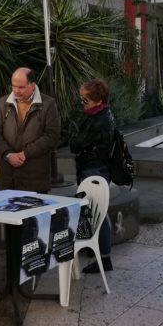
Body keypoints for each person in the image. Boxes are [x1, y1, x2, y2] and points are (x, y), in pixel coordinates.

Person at [69, 79, 115, 273]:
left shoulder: (98, 119)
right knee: (95, 212)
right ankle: (95, 251)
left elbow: (76, 144)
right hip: (94, 169)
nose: (82, 103)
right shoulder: (99, 115)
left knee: (98, 213)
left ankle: (104, 258)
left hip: (94, 170)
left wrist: (77, 140)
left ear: (97, 99)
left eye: (85, 100)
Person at [0, 67, 60, 193]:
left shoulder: (48, 104)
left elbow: (52, 136)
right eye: (13, 86)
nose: (16, 91)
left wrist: (25, 154)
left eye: (21, 87)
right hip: (8, 179)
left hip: (35, 179)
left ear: (32, 85)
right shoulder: (3, 103)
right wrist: (8, 154)